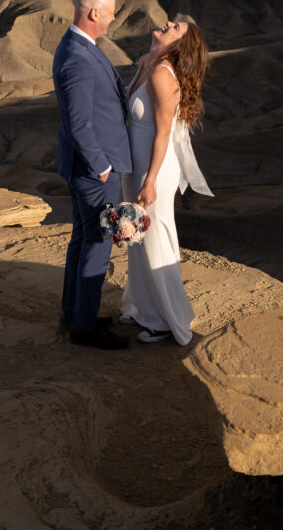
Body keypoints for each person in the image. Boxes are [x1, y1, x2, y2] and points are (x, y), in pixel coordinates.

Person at [120, 19, 212, 345]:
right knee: (137, 240)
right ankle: (144, 309)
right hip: (138, 166)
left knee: (155, 237)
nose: (168, 23)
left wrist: (151, 180)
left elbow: (162, 133)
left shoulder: (161, 75)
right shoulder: (149, 64)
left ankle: (169, 320)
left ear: (177, 46)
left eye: (176, 28)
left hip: (154, 168)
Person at [53, 0, 133, 350]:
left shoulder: (81, 47)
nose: (115, 18)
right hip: (94, 172)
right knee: (98, 243)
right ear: (94, 13)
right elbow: (79, 122)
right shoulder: (77, 58)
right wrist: (102, 166)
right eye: (112, 11)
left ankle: (75, 312)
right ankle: (84, 327)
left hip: (89, 169)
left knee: (83, 240)